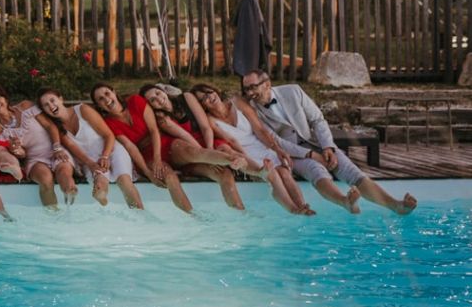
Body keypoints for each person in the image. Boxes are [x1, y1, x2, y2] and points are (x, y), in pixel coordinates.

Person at [241, 69, 417, 215]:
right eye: (246, 89)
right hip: (291, 155)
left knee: (349, 169)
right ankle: (345, 202)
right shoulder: (253, 112)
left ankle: (396, 205)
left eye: (253, 87)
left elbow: (317, 119)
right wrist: (310, 154)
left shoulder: (293, 91)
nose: (249, 93)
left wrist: (327, 147)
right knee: (315, 169)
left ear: (267, 84)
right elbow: (276, 141)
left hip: (316, 142)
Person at [190, 83, 324, 215]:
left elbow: (259, 129)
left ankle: (302, 206)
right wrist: (246, 157)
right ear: (202, 105)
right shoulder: (210, 120)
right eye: (204, 98)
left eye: (209, 92)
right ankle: (293, 209)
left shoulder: (236, 102)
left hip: (259, 145)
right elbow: (231, 140)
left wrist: (277, 149)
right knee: (273, 175)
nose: (209, 97)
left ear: (215, 91)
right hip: (241, 151)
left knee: (284, 172)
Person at [139, 83, 250, 210]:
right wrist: (208, 158)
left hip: (205, 143)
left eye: (158, 93)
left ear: (163, 91)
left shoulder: (186, 97)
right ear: (150, 105)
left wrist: (209, 151)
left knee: (226, 173)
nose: (158, 99)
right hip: (188, 153)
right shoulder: (161, 119)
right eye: (153, 100)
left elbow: (205, 127)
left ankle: (240, 211)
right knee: (220, 165)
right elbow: (186, 136)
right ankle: (234, 161)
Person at [91, 82, 193, 213]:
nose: (106, 99)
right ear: (98, 105)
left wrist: (157, 159)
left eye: (107, 93)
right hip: (143, 157)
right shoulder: (109, 122)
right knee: (170, 178)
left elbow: (154, 130)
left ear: (114, 92)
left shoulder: (135, 101)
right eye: (100, 99)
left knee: (191, 151)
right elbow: (130, 146)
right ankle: (190, 216)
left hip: (160, 145)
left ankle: (193, 216)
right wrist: (148, 173)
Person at [37, 87, 144, 209]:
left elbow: (108, 135)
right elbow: (72, 147)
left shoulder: (82, 110)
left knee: (124, 181)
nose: (51, 106)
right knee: (99, 179)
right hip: (89, 159)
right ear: (44, 110)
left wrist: (105, 155)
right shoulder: (57, 129)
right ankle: (101, 195)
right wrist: (91, 164)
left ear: (61, 99)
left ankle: (140, 213)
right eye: (46, 105)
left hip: (111, 149)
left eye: (52, 100)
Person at [0, 84, 78, 208]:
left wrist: (57, 148)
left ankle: (71, 196)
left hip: (55, 149)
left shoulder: (26, 107)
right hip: (34, 160)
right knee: (45, 180)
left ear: (5, 99)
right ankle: (54, 217)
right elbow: (22, 154)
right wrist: (15, 149)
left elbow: (50, 126)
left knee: (64, 173)